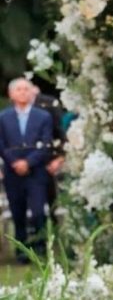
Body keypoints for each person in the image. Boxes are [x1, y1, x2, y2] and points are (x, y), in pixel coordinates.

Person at [0, 78, 54, 262]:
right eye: (19, 89)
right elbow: (2, 144)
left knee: (38, 211)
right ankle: (22, 251)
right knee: (18, 212)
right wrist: (14, 162)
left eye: (26, 89)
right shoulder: (3, 117)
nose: (23, 92)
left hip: (36, 172)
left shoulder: (43, 116)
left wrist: (28, 162)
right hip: (12, 172)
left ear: (32, 93)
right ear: (11, 94)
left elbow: (46, 144)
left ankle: (40, 248)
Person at [32, 84, 64, 224]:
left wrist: (59, 157)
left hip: (47, 159)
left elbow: (58, 132)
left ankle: (52, 229)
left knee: (51, 201)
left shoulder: (48, 107)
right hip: (21, 163)